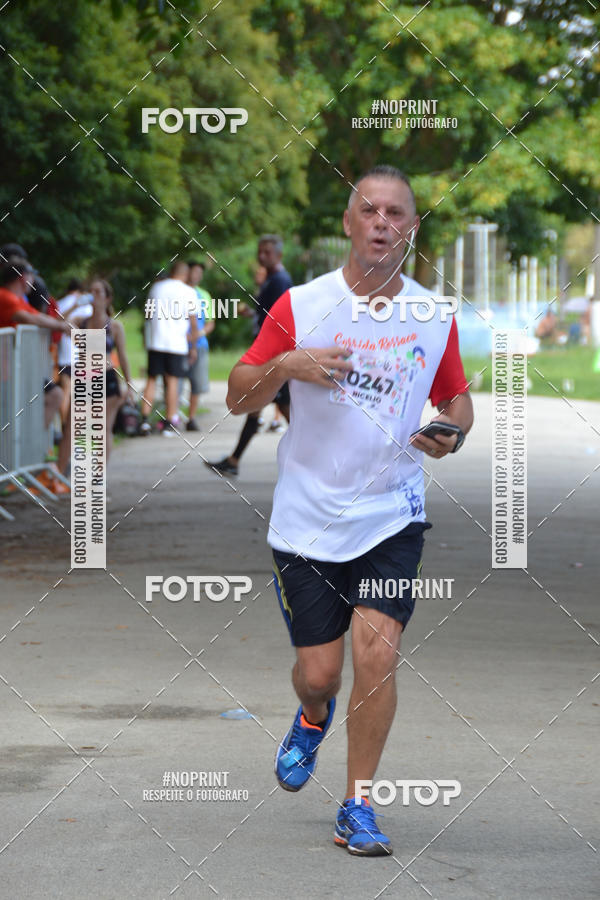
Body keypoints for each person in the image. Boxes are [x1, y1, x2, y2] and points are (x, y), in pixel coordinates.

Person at [226, 166, 474, 856]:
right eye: (369, 210)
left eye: (396, 213)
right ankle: (312, 716)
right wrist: (286, 366)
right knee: (320, 675)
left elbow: (457, 400)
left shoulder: (433, 316)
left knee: (378, 654)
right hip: (307, 518)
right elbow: (238, 395)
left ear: (412, 228)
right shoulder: (302, 304)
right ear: (347, 222)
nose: (381, 223)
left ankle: (357, 804)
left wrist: (451, 432)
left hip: (392, 515)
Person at [206, 236, 293, 475]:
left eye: (267, 252)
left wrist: (275, 358)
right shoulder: (271, 280)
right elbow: (266, 314)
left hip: (275, 356)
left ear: (279, 255)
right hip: (269, 355)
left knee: (288, 412)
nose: (262, 256)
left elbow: (280, 320)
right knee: (259, 406)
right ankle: (233, 461)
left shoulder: (280, 281)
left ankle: (320, 462)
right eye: (260, 252)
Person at [0, 256, 72, 491]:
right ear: (23, 278)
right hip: (9, 372)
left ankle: (29, 455)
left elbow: (36, 315)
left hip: (17, 371)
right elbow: (28, 318)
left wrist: (61, 324)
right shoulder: (5, 297)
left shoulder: (14, 298)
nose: (33, 280)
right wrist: (61, 326)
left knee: (54, 395)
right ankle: (19, 462)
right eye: (31, 275)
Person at [139, 261, 198, 436]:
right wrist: (193, 347)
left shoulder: (156, 288)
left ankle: (144, 421)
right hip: (176, 343)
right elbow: (193, 322)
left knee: (151, 380)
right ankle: (169, 421)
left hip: (156, 341)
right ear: (185, 275)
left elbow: (148, 315)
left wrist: (147, 337)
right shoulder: (189, 292)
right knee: (173, 381)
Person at [80, 279, 134, 460]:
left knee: (103, 428)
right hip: (85, 377)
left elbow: (123, 356)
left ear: (108, 298)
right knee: (83, 427)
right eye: (91, 291)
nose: (93, 295)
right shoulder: (81, 322)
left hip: (107, 376)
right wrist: (76, 304)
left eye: (98, 292)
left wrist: (129, 384)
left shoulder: (115, 326)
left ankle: (99, 471)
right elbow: (61, 322)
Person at [185, 260, 214, 431]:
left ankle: (191, 418)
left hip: (200, 344)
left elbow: (210, 322)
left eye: (200, 273)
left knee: (197, 384)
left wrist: (198, 334)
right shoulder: (179, 291)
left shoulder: (204, 295)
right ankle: (171, 417)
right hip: (179, 344)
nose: (197, 276)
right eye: (194, 272)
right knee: (175, 382)